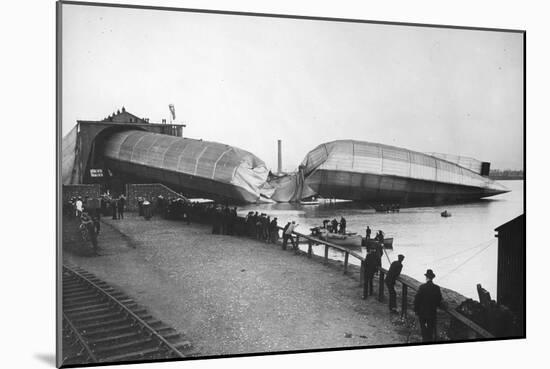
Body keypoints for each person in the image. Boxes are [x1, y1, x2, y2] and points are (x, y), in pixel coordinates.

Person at [414, 269, 443, 342]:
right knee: (430, 329)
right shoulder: (437, 288)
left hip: (422, 312)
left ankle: (425, 340)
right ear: (432, 278)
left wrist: (416, 310)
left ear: (426, 277)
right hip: (432, 312)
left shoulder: (422, 287)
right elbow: (439, 300)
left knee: (423, 329)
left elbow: (417, 299)